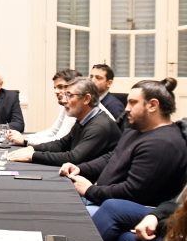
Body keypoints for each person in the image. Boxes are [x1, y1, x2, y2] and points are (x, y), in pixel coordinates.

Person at [60, 79, 187, 207]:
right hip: (101, 198)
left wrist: (90, 190)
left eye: (132, 103)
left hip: (120, 210)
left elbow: (132, 192)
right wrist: (81, 168)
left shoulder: (162, 144)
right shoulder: (134, 130)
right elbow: (112, 157)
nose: (126, 109)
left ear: (153, 105)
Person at [8, 78, 120, 166]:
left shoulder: (99, 126)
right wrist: (32, 148)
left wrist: (32, 156)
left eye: (69, 95)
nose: (64, 100)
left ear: (86, 99)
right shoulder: (84, 119)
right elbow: (61, 144)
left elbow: (74, 158)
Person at [8, 69, 79, 146]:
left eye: (60, 87)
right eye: (55, 88)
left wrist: (25, 141)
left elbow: (59, 140)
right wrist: (23, 137)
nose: (56, 91)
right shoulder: (65, 106)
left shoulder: (75, 108)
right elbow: (53, 132)